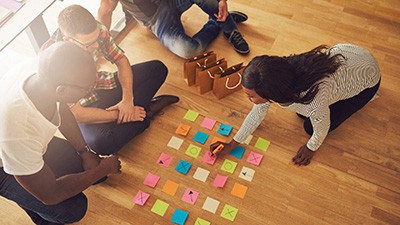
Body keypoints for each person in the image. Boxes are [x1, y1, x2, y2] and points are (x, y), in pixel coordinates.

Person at [0, 42, 122, 225]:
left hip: (29, 146)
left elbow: (62, 110)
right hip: (5, 166)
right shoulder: (19, 131)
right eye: (87, 87)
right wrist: (102, 169)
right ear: (62, 90)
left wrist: (85, 151)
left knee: (90, 167)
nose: (92, 90)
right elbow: (51, 195)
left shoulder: (43, 75)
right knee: (72, 209)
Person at [210, 44, 381, 166]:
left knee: (309, 127)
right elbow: (257, 113)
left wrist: (310, 147)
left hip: (368, 80)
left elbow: (322, 128)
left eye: (250, 96)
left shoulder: (314, 101)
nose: (249, 99)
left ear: (271, 94)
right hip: (351, 53)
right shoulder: (280, 72)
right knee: (302, 114)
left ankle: (366, 97)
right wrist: (232, 144)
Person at [42, 5, 179, 155]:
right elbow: (76, 113)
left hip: (101, 85)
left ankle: (134, 114)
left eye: (96, 40)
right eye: (89, 44)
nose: (96, 45)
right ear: (68, 39)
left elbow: (121, 61)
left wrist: (127, 100)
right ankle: (145, 112)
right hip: (83, 106)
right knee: (101, 143)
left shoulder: (96, 31)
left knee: (157, 69)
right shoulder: (49, 61)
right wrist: (122, 113)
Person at [97, 0, 250, 58]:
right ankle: (217, 21)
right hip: (156, 18)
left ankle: (229, 28)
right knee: (189, 51)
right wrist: (101, 42)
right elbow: (105, 10)